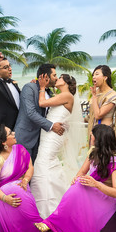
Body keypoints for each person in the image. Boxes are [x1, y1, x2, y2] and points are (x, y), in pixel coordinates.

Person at [35, 124, 116, 232]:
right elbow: (80, 173)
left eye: (92, 135)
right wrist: (76, 179)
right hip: (93, 192)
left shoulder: (115, 162)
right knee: (78, 184)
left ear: (98, 139)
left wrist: (96, 184)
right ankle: (58, 226)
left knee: (80, 190)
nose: (90, 137)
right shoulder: (92, 154)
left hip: (107, 197)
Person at [31, 74, 86, 218]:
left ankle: (49, 205)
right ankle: (53, 198)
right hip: (49, 133)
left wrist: (42, 87)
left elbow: (42, 103)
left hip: (53, 136)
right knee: (46, 162)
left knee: (43, 162)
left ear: (66, 82)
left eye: (59, 77)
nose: (57, 79)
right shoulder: (62, 95)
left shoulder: (67, 95)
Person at [14, 63, 65, 163]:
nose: (56, 78)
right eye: (54, 75)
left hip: (39, 141)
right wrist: (51, 126)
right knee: (22, 174)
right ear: (45, 76)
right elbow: (31, 113)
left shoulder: (49, 93)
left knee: (33, 174)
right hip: (24, 139)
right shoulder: (29, 88)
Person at [88, 65, 116, 146]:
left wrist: (94, 97)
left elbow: (98, 115)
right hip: (93, 132)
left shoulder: (112, 96)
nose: (94, 77)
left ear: (105, 77)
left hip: (104, 134)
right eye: (93, 75)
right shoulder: (96, 92)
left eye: (97, 74)